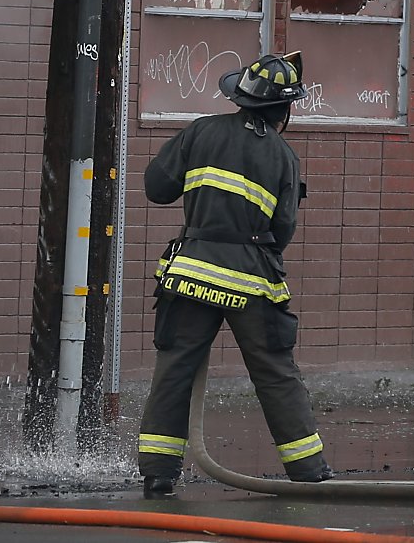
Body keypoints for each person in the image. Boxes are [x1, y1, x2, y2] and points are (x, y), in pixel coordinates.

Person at [136, 53, 331, 498]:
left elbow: (156, 188)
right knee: (274, 371)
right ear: (285, 109)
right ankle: (309, 471)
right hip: (252, 278)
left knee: (175, 369)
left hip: (191, 274)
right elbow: (282, 230)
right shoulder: (284, 157)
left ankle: (159, 474)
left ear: (240, 96)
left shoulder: (202, 130)